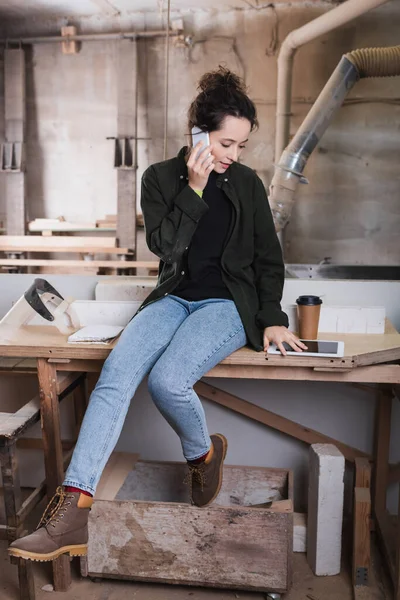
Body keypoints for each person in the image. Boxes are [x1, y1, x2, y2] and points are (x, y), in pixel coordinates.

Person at [9, 66, 305, 563]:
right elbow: (164, 247)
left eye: (240, 146)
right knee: (115, 375)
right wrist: (193, 187)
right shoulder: (160, 178)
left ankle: (204, 453)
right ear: (198, 132)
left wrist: (273, 316)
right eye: (225, 143)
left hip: (229, 304)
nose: (232, 155)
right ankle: (75, 509)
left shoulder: (249, 184)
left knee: (168, 381)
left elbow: (268, 261)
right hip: (172, 298)